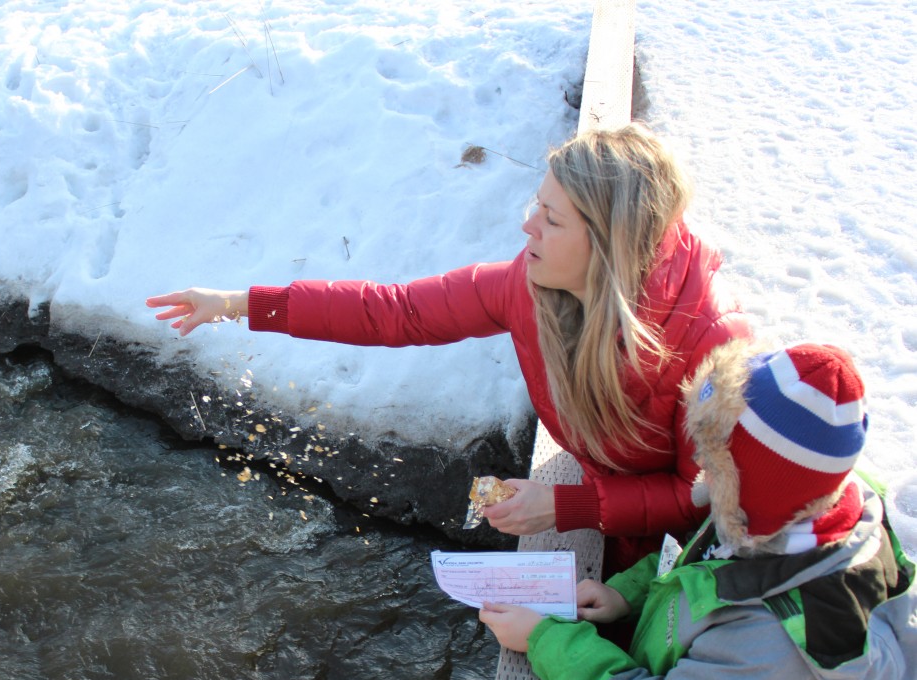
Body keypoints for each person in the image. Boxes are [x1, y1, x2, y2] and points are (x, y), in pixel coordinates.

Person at [147, 124, 751, 575]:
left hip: (697, 547)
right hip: (612, 497)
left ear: (609, 244)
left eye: (551, 218)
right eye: (534, 206)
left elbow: (699, 495)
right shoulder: (529, 287)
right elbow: (394, 311)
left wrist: (566, 507)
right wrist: (237, 303)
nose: (526, 228)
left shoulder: (709, 344)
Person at [479, 341, 917, 680]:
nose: (702, 475)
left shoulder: (777, 650)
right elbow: (705, 555)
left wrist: (546, 640)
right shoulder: (795, 510)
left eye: (715, 463)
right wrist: (629, 593)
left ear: (754, 486)